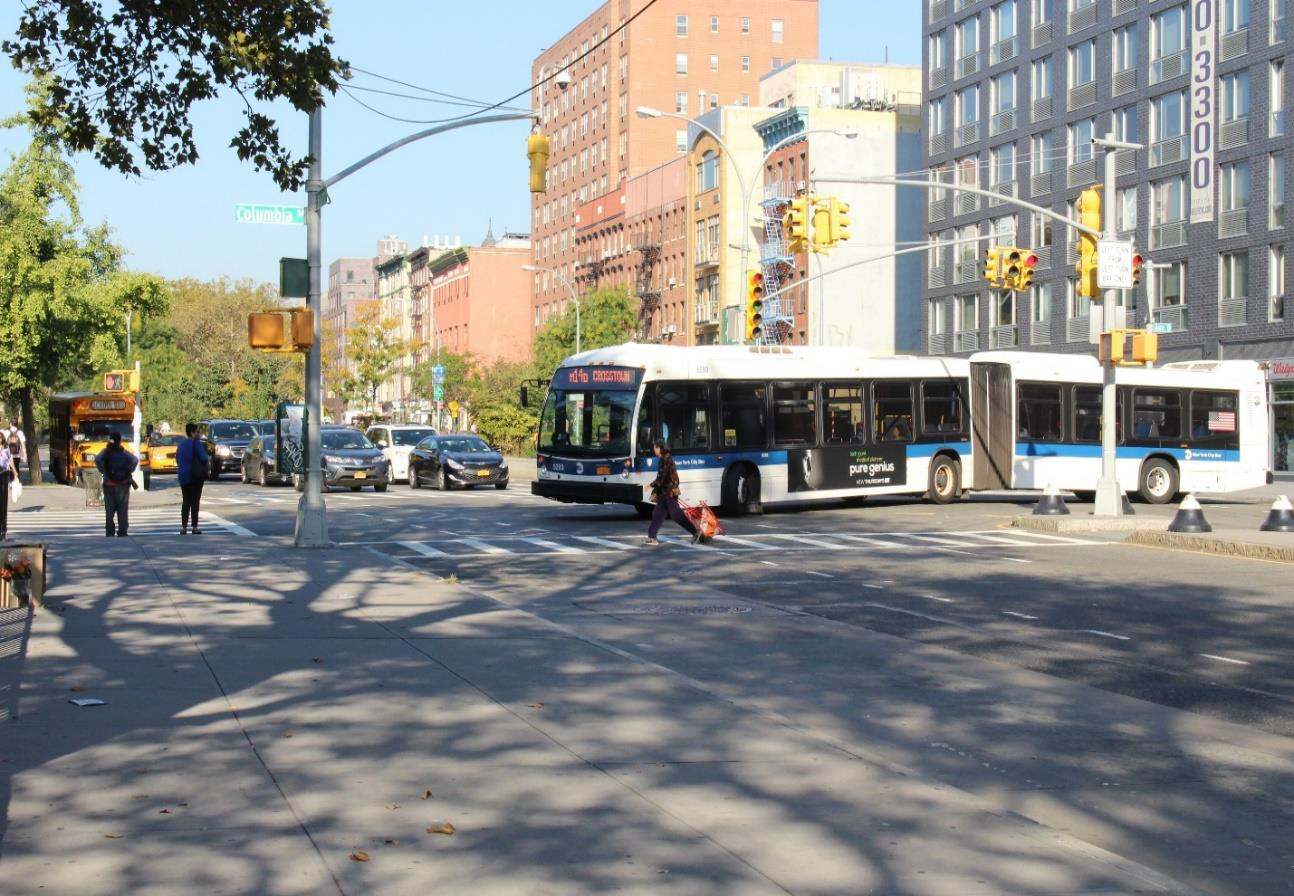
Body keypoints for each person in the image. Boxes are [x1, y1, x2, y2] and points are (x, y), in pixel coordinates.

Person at [644, 438, 701, 546]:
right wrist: (656, 490)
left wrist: (650, 486)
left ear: (659, 448)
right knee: (657, 514)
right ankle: (652, 537)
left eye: (655, 448)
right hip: (664, 493)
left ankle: (696, 532)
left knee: (676, 515)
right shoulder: (664, 458)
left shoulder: (666, 460)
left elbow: (661, 478)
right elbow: (663, 478)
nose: (654, 451)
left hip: (669, 493)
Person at [95, 433, 138, 537]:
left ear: (110, 440)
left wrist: (103, 471)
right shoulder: (124, 452)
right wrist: (129, 471)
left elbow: (97, 460)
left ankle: (110, 531)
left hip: (108, 484)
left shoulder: (106, 452)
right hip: (123, 484)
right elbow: (135, 460)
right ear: (119, 441)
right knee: (122, 508)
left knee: (109, 510)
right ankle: (122, 530)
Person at [176, 422, 209, 535]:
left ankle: (183, 527)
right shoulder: (197, 443)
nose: (199, 433)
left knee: (186, 501)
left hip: (183, 476)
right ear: (192, 433)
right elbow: (203, 458)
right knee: (195, 502)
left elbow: (178, 459)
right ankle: (194, 527)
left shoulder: (181, 444)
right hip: (195, 476)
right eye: (197, 431)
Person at [0, 440, 13, 541]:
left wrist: (15, 471)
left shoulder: (5, 448)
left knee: (3, 504)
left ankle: (3, 530)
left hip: (4, 474)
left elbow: (10, 460)